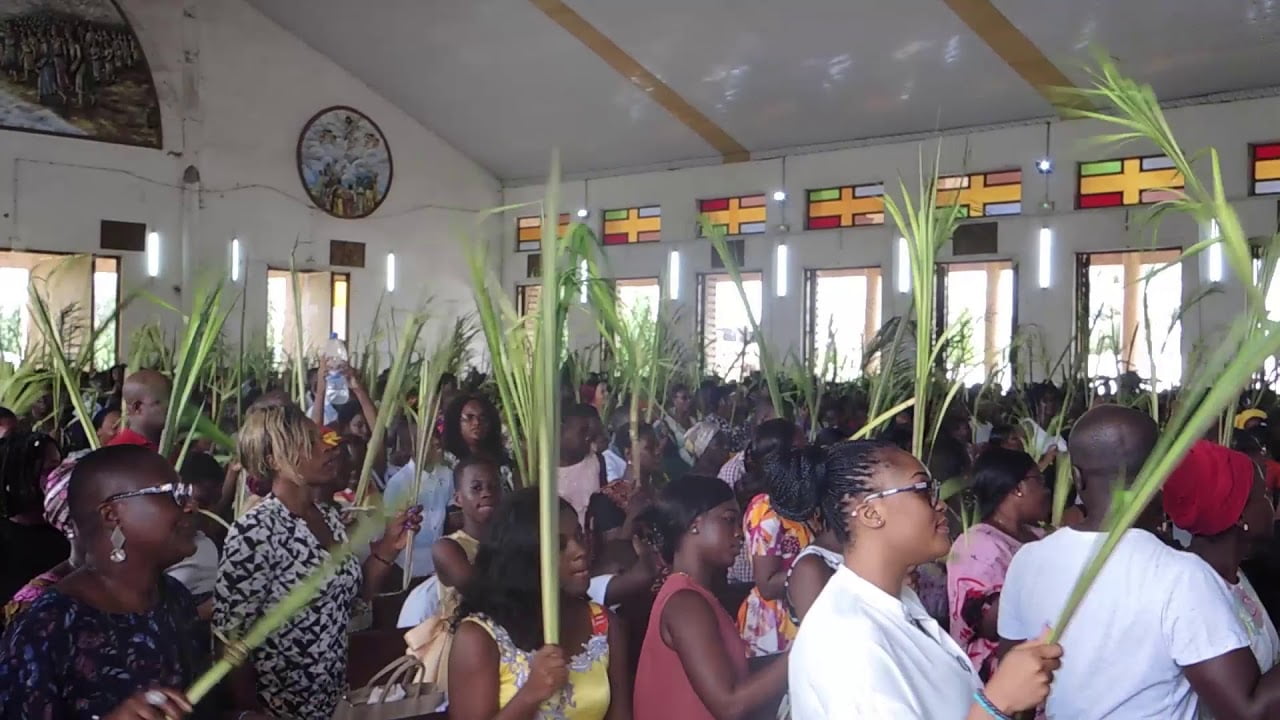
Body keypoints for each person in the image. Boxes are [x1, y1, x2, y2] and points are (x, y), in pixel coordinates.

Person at [999, 405, 1280, 719]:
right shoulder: (1180, 575)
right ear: (1158, 476)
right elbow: (1250, 710)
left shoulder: (1026, 561)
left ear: (1076, 477)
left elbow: (1014, 692)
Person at [788, 440, 1062, 719]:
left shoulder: (898, 599)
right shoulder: (847, 641)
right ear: (871, 513)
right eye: (923, 491)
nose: (940, 505)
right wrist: (999, 701)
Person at [214, 402, 421, 719]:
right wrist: (250, 712)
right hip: (278, 709)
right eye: (310, 443)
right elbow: (230, 640)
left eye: (321, 437)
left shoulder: (327, 518)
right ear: (274, 460)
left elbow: (353, 601)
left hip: (331, 701)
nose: (327, 448)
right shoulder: (255, 531)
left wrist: (389, 547)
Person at [0, 445, 205, 720]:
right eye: (173, 495)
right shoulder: (47, 628)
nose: (191, 505)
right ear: (112, 515)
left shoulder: (174, 598)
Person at [448, 488, 631, 720]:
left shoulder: (604, 625)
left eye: (579, 536)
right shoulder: (479, 637)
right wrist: (530, 695)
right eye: (559, 545)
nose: (580, 551)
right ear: (524, 555)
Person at [633, 474, 787, 720]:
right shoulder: (685, 602)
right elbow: (729, 704)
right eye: (728, 520)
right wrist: (804, 653)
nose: (739, 533)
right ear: (694, 524)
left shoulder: (694, 594)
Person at [1163, 440, 1280, 690]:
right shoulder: (1196, 592)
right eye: (1264, 496)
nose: (1272, 506)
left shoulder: (1234, 574)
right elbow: (1248, 709)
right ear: (1240, 516)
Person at [946, 448, 1048, 681]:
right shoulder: (976, 544)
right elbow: (986, 624)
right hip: (998, 676)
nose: (1046, 490)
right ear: (1017, 489)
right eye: (1039, 481)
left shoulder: (1039, 535)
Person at [738, 424, 815, 657]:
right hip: (774, 629)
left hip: (799, 614)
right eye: (800, 451)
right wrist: (823, 571)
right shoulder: (766, 510)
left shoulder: (796, 501)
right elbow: (768, 585)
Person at [0, 432, 67, 610]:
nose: (58, 476)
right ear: (18, 477)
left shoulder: (71, 529)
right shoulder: (6, 542)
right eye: (49, 469)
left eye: (61, 466)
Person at [383, 435, 455, 579]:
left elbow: (450, 518)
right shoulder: (398, 483)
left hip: (438, 568)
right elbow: (391, 535)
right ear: (411, 448)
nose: (436, 441)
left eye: (435, 435)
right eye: (427, 438)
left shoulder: (447, 475)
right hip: (407, 570)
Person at [443, 393, 516, 491]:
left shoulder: (503, 461)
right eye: (469, 417)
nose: (476, 422)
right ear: (456, 422)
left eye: (483, 417)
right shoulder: (447, 462)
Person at [560, 403, 606, 524]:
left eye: (593, 435)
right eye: (583, 432)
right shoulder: (540, 468)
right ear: (562, 429)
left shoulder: (597, 461)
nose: (589, 440)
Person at [113, 369, 171, 450]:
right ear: (137, 407)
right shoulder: (120, 453)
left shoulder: (172, 446)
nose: (169, 406)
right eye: (158, 402)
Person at [656, 384, 695, 478]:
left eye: (690, 397)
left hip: (694, 466)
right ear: (674, 400)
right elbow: (658, 451)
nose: (688, 401)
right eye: (684, 398)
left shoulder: (694, 420)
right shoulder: (663, 423)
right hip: (675, 471)